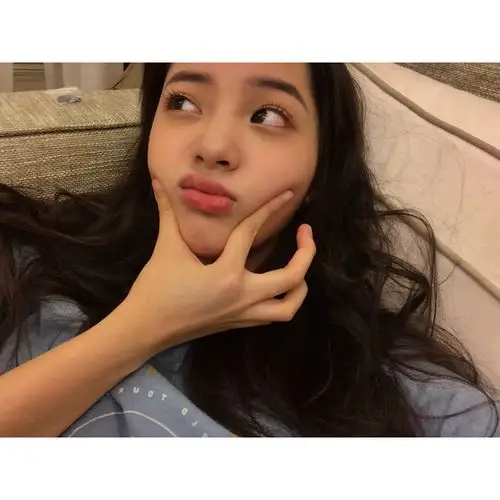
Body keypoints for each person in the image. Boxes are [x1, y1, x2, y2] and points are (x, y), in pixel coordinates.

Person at [0, 63, 498, 437]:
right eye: (183, 102)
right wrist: (143, 327)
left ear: (320, 173)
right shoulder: (28, 260)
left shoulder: (418, 404)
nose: (213, 146)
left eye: (267, 115)